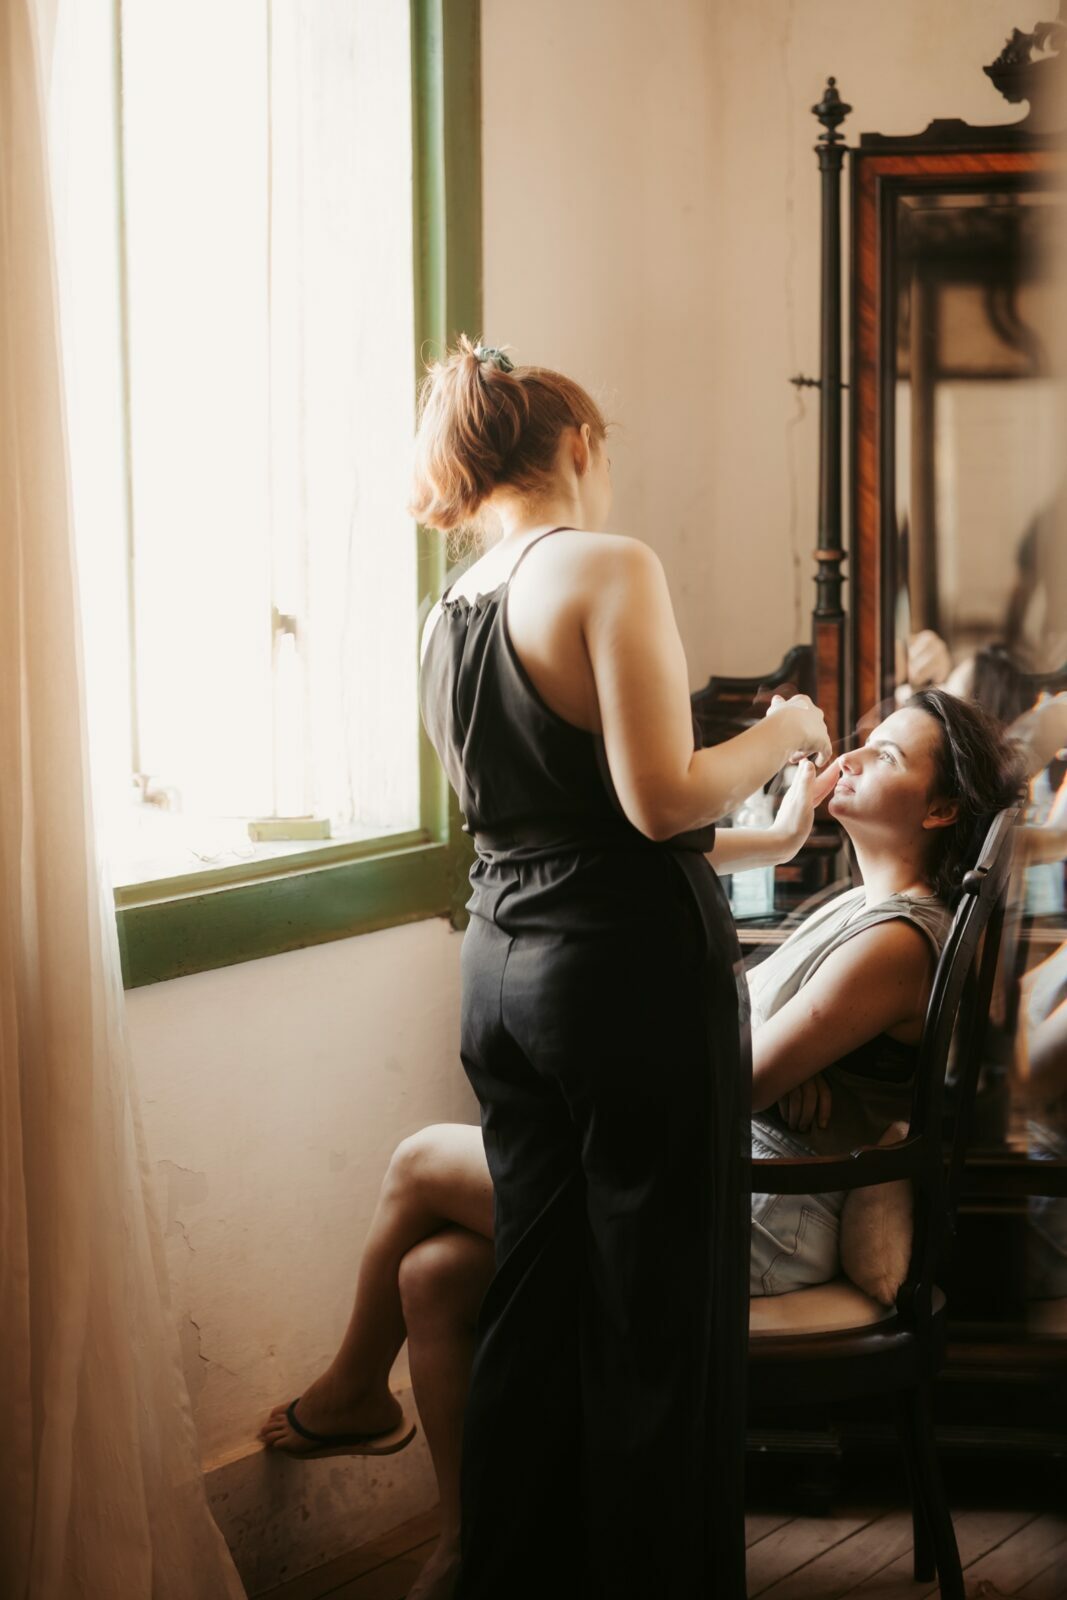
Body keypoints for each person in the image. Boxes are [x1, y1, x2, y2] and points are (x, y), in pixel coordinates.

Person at [262, 337, 830, 1600]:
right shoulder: (604, 565)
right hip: (623, 983)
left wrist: (774, 835)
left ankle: (510, 1573)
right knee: (655, 1308)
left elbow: (563, 818)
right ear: (579, 446)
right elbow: (656, 799)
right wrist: (784, 729)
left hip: (502, 970)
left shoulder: (450, 608)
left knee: (537, 1286)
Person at [262, 685, 1019, 1598]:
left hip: (758, 1219)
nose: (849, 758)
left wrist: (765, 1065)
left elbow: (729, 1077)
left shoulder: (895, 940)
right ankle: (466, 1544)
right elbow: (738, 1035)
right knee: (432, 1277)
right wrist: (785, 1060)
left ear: (939, 811)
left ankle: (352, 1391)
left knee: (420, 1161)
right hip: (724, 1168)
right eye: (859, 742)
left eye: (885, 756)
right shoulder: (854, 908)